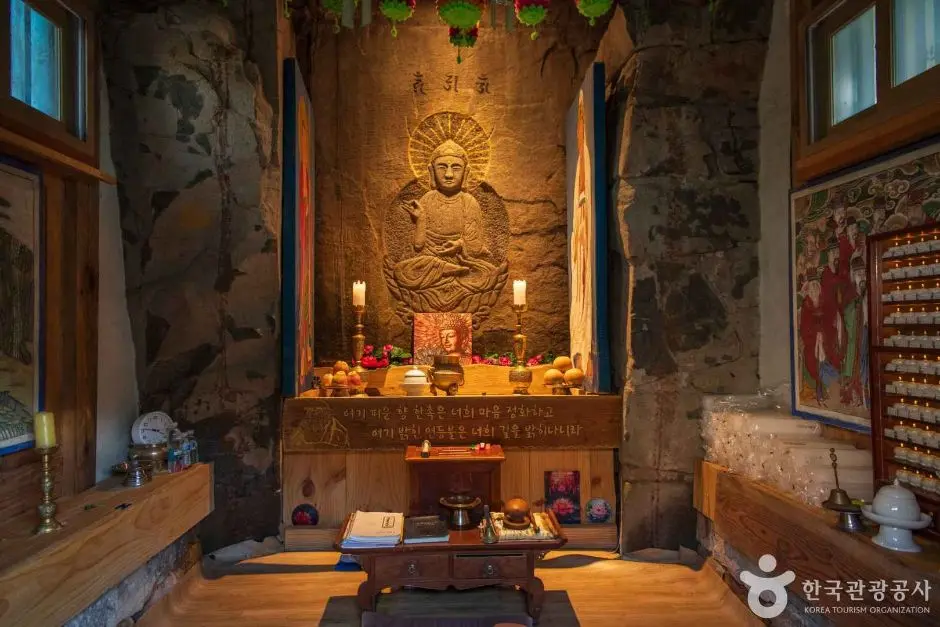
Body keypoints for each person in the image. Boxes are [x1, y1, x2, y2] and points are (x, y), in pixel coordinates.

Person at [391, 140, 507, 313]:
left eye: (456, 167)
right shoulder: (427, 200)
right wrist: (421, 219)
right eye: (442, 167)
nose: (449, 174)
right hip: (430, 262)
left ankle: (452, 271)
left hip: (461, 261)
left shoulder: (468, 201)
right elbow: (418, 246)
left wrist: (460, 245)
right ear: (431, 171)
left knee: (489, 275)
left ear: (466, 173)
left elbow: (475, 247)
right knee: (401, 271)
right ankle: (447, 270)